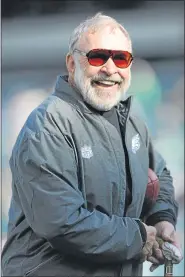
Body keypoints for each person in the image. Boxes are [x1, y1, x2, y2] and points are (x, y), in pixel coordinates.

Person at [1, 12, 183, 276]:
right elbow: (62, 223)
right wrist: (140, 237)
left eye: (121, 58)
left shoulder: (131, 123)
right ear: (72, 64)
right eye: (98, 57)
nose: (110, 69)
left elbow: (160, 175)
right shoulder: (48, 126)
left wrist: (161, 218)